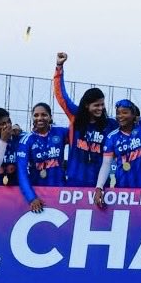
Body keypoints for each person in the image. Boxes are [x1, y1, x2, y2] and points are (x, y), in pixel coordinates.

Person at [94, 67, 141, 203]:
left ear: (133, 115)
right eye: (118, 113)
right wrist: (99, 187)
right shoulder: (112, 137)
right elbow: (106, 164)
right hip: (122, 189)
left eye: (125, 112)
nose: (120, 116)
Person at [53, 52, 119, 187]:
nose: (100, 108)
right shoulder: (75, 117)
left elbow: (128, 127)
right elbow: (61, 96)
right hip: (75, 180)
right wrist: (59, 67)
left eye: (102, 104)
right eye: (96, 105)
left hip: (100, 184)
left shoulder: (110, 124)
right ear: (87, 105)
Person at [17, 103, 69, 212]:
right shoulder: (26, 140)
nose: (40, 118)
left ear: (50, 117)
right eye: (36, 115)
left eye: (44, 115)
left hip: (61, 191)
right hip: (38, 193)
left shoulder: (61, 131)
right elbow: (21, 172)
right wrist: (31, 198)